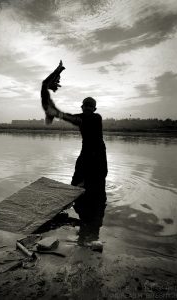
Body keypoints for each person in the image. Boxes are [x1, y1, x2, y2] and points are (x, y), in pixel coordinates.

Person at [41, 62, 108, 230]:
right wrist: (56, 112)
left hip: (98, 156)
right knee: (76, 182)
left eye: (90, 107)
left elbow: (75, 119)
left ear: (94, 109)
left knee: (98, 188)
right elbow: (72, 118)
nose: (87, 108)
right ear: (82, 107)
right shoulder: (80, 117)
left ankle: (93, 216)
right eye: (85, 106)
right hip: (86, 154)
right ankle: (84, 216)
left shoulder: (96, 118)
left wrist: (57, 113)